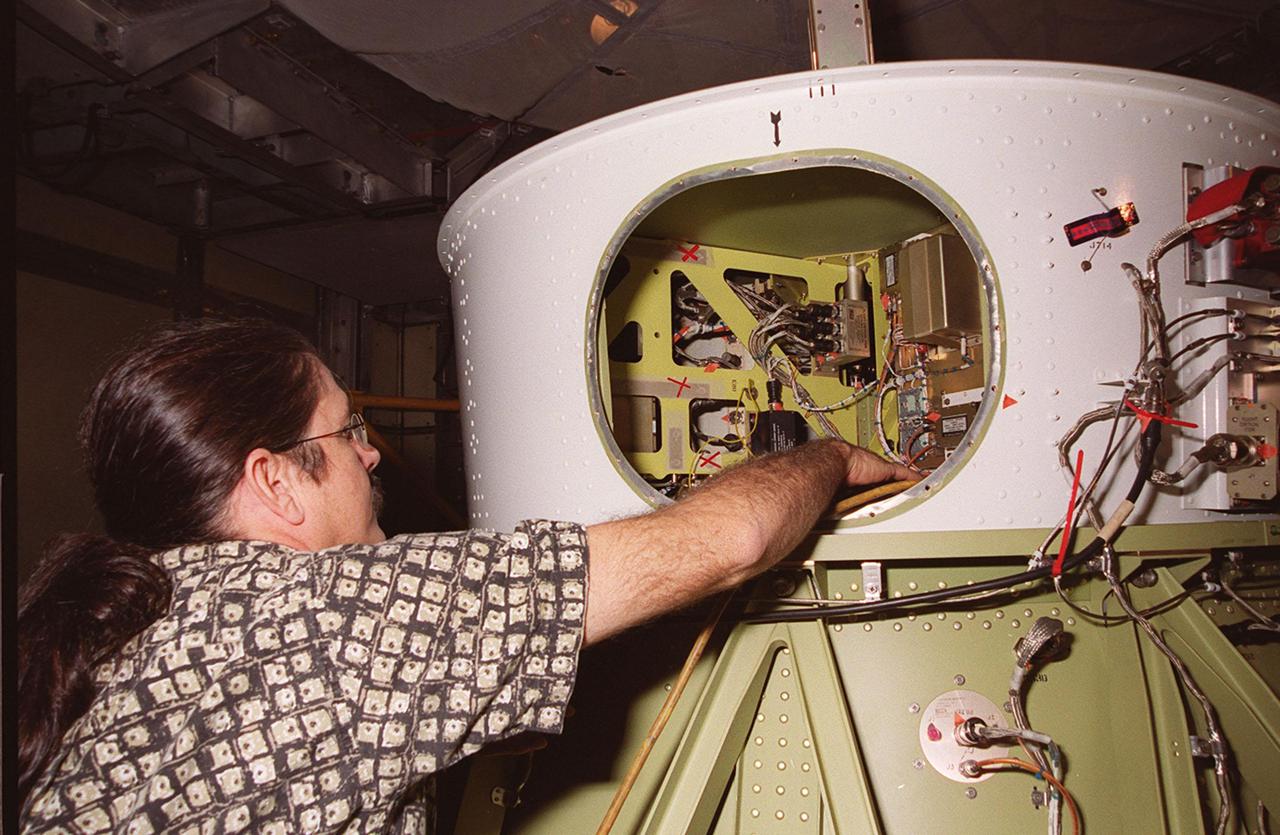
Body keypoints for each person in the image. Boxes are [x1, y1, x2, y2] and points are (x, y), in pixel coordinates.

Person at [18, 318, 916, 832]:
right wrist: (830, 457)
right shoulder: (321, 622)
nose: (372, 454)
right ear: (275, 479)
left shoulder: (138, 627)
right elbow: (737, 538)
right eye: (346, 431)